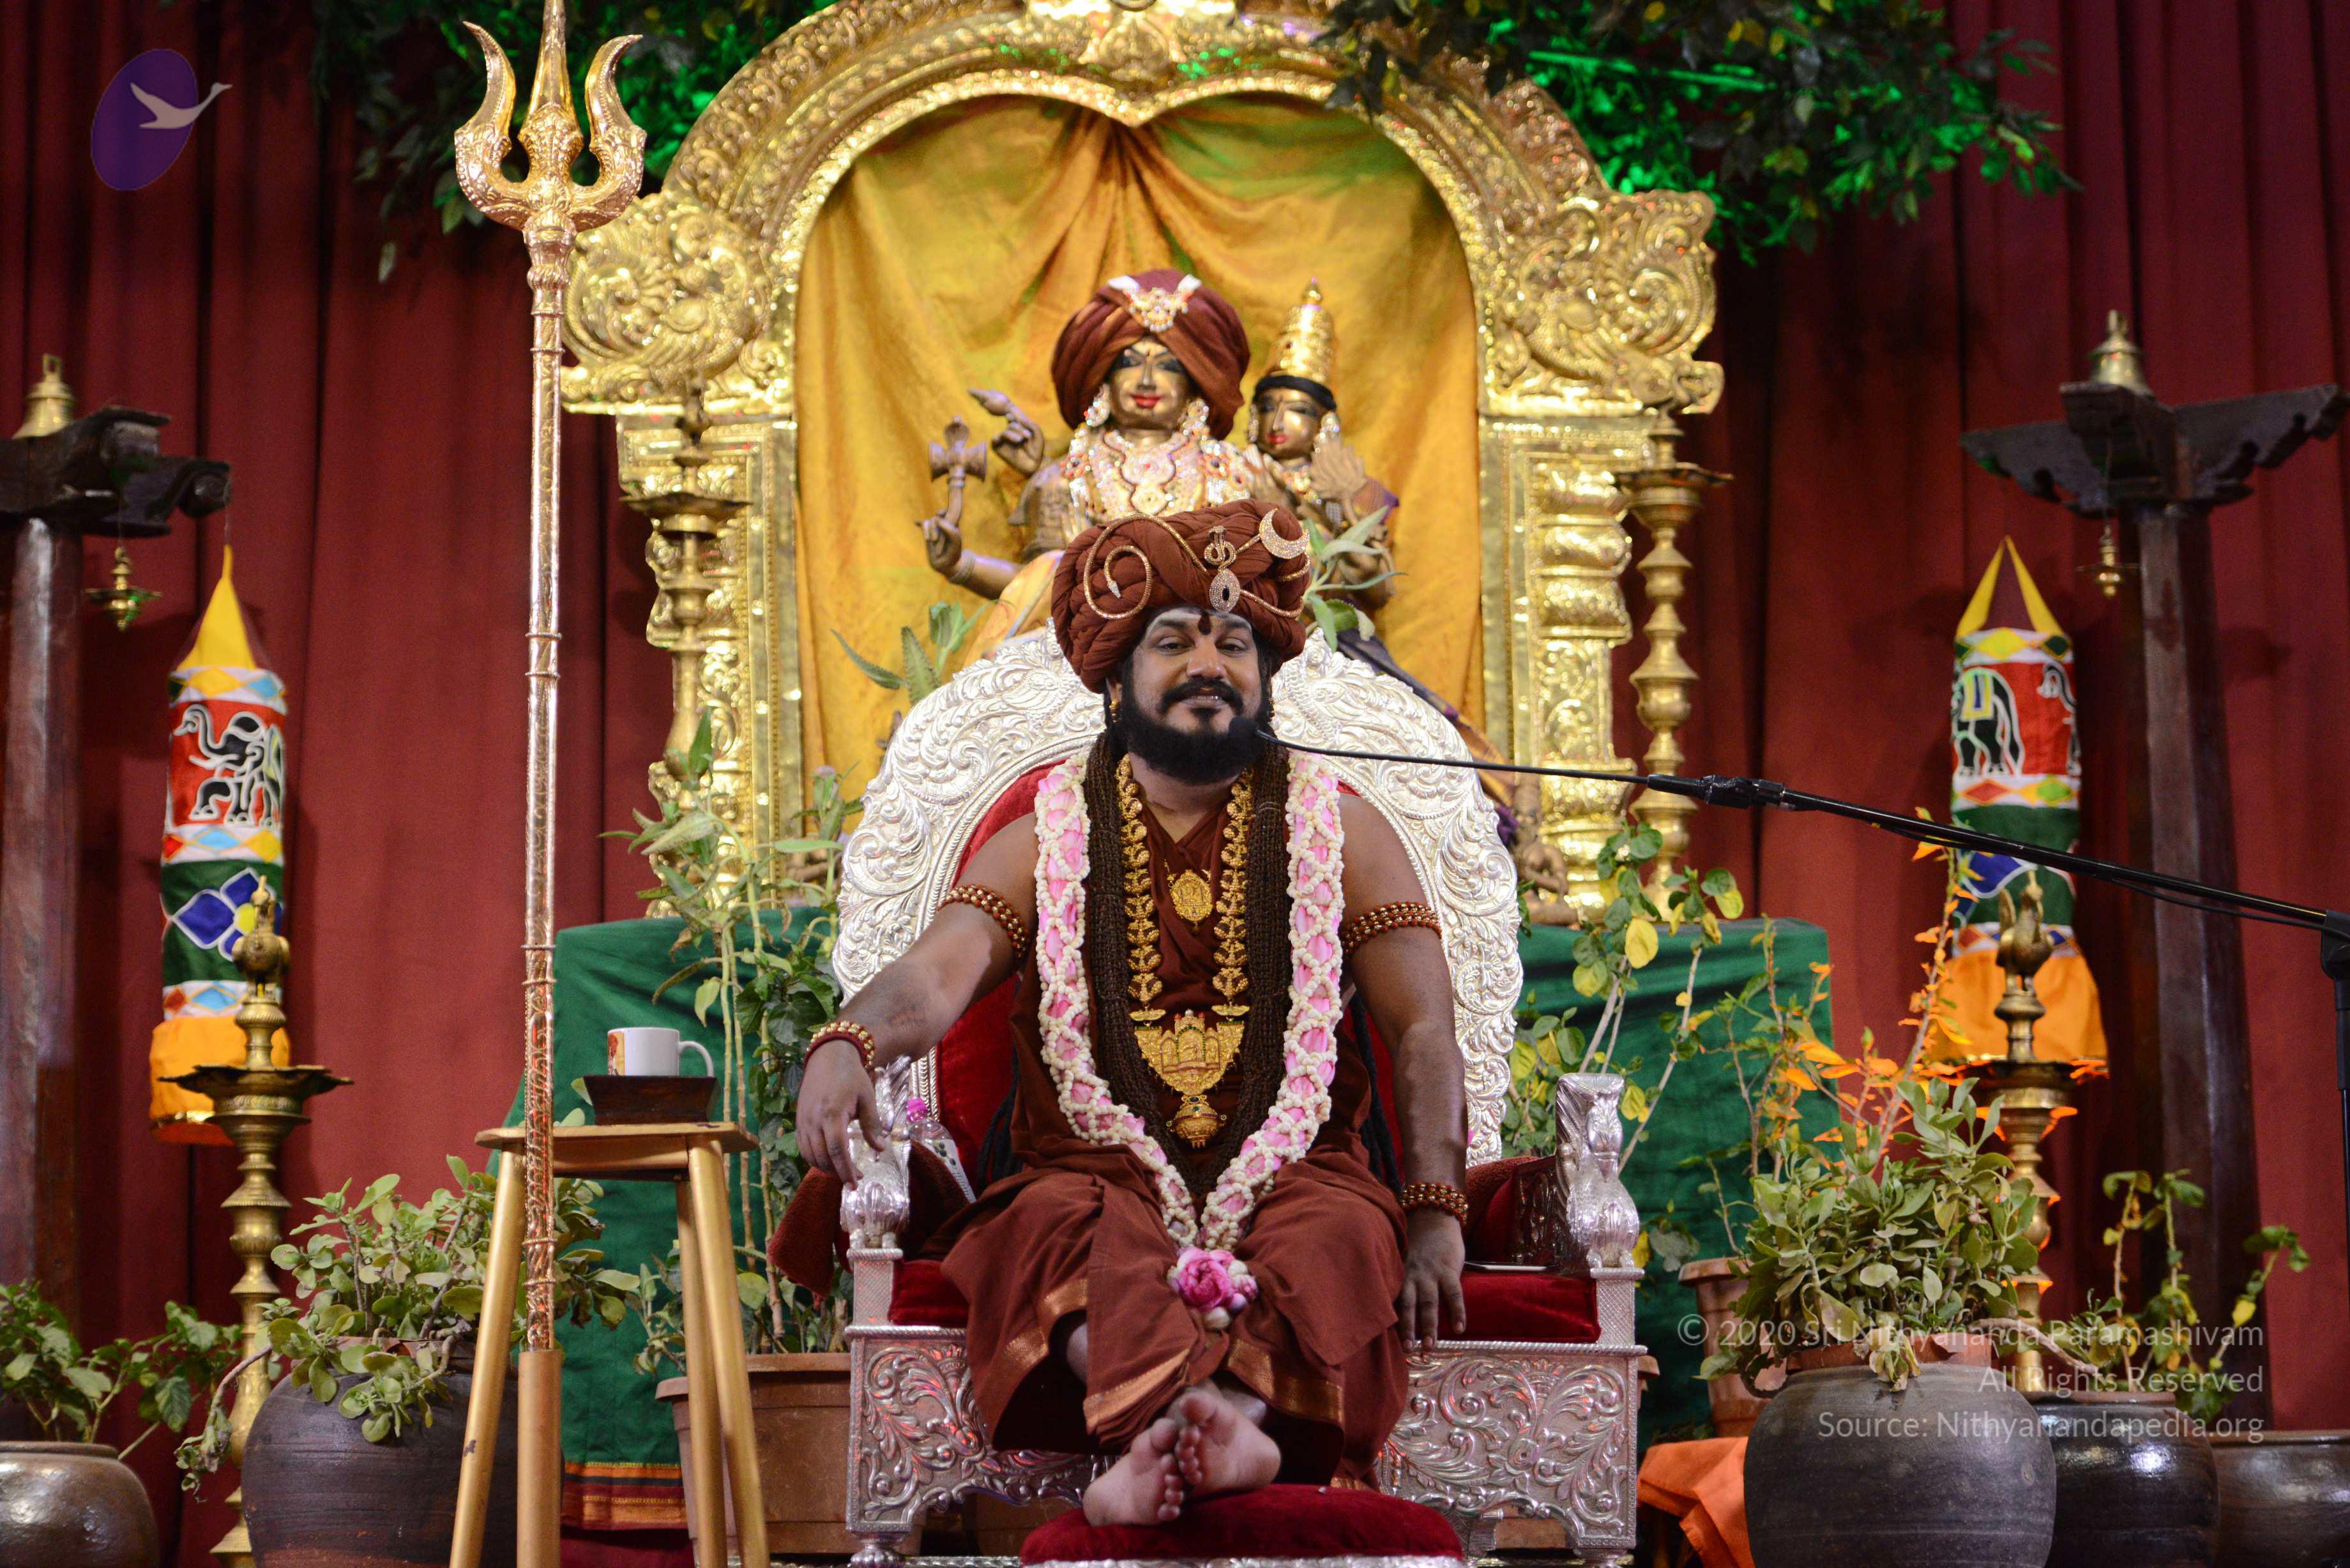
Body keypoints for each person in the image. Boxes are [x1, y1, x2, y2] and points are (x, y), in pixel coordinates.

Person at [797, 497, 1470, 1525]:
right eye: (1174, 641)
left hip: (1300, 1175)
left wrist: (1433, 1213)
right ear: (1115, 680)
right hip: (1093, 1177)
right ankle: (1202, 1421)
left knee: (1339, 1236)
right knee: (1040, 1228)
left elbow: (1423, 1029)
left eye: (1234, 643)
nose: (1209, 663)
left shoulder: (1345, 826)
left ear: (1265, 678)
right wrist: (849, 1039)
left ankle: (1204, 1426)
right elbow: (935, 976)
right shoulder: (1046, 834)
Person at [917, 270, 1257, 666]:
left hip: (1210, 658)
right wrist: (961, 565)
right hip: (1093, 662)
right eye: (1130, 363)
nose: (1147, 381)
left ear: (1195, 384)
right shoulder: (1066, 479)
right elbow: (1042, 588)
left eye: (1168, 366)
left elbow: (1273, 586)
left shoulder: (1233, 473)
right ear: (1104, 381)